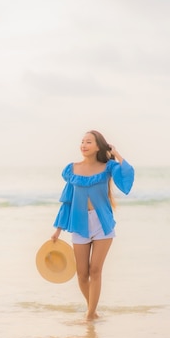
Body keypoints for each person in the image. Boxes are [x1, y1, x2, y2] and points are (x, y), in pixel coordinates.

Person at [51, 130, 135, 320]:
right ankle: (93, 310)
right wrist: (58, 230)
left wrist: (116, 153)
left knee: (96, 270)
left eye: (88, 142)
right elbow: (67, 201)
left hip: (102, 223)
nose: (84, 145)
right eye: (82, 141)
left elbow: (127, 173)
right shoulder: (72, 169)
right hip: (79, 223)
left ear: (98, 146)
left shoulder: (108, 167)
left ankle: (89, 316)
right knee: (82, 274)